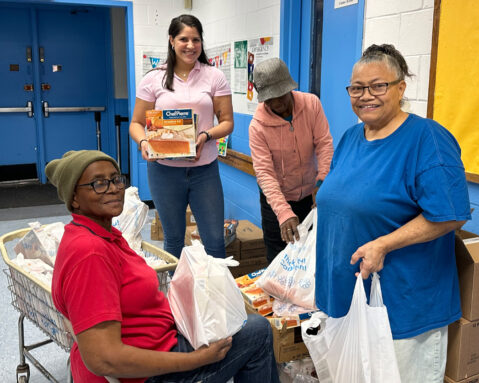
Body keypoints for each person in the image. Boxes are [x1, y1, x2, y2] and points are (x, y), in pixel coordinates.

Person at [45, 150, 279, 383]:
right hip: (145, 374)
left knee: (239, 322)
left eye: (116, 179)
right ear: (74, 198)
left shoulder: (103, 235)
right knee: (257, 331)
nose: (114, 188)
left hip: (159, 344)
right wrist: (198, 359)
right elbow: (103, 359)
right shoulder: (90, 253)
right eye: (98, 184)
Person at [315, 44, 471, 382]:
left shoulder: (427, 139)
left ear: (401, 87)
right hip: (345, 303)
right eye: (357, 88)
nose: (365, 95)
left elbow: (451, 214)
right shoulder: (350, 137)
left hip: (401, 313)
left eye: (378, 86)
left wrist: (384, 244)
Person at [129, 14, 234, 259]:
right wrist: (144, 142)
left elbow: (227, 122)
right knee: (174, 240)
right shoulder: (153, 78)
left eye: (196, 39)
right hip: (164, 171)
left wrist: (206, 136)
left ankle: (215, 295)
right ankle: (175, 295)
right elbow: (135, 123)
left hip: (204, 170)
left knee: (215, 242)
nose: (190, 45)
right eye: (184, 39)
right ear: (171, 40)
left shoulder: (214, 76)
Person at [249, 57, 333, 263]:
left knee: (310, 254)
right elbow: (265, 174)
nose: (277, 104)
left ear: (289, 88)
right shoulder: (257, 127)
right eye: (270, 99)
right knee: (279, 256)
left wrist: (323, 180)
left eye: (280, 96)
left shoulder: (312, 104)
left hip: (309, 196)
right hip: (276, 199)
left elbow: (324, 143)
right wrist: (284, 212)